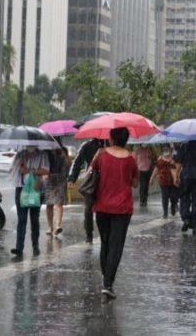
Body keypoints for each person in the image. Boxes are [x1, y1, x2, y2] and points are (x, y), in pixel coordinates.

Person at [92, 127, 138, 302]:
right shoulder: (131, 158)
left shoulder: (101, 155)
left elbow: (92, 172)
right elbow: (135, 183)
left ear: (111, 138)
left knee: (105, 243)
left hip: (102, 205)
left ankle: (106, 281)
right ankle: (107, 284)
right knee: (116, 246)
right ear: (126, 140)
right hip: (122, 208)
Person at [11, 146, 50, 260]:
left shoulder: (42, 154)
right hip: (20, 189)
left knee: (34, 219)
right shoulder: (20, 154)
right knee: (22, 219)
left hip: (35, 188)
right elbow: (14, 170)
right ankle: (19, 248)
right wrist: (19, 165)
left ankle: (35, 245)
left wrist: (29, 170)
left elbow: (46, 170)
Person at [68, 138, 105, 244]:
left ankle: (104, 233)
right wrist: (72, 178)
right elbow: (77, 161)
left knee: (104, 209)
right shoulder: (87, 145)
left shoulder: (110, 144)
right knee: (88, 208)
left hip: (107, 180)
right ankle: (89, 234)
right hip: (91, 180)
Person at [45, 138, 70, 237]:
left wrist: (65, 156)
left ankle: (58, 226)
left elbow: (69, 164)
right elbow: (44, 165)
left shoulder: (63, 150)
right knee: (49, 204)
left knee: (59, 203)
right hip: (50, 178)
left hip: (61, 178)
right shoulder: (46, 152)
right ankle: (50, 226)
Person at [150, 145, 179, 218]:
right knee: (164, 197)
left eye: (167, 149)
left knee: (174, 197)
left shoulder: (174, 159)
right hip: (163, 181)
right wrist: (151, 178)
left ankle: (173, 208)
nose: (166, 151)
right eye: (164, 150)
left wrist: (173, 163)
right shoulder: (160, 160)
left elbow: (179, 168)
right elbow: (156, 169)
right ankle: (165, 212)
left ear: (170, 150)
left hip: (173, 181)